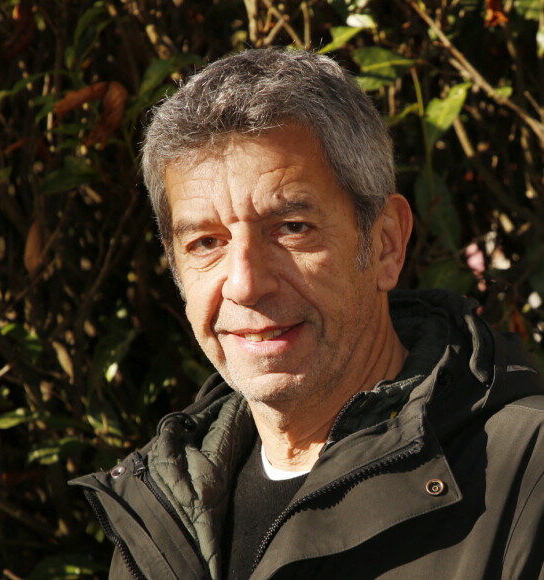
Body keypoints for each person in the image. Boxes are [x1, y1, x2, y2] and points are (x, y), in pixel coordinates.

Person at [70, 49, 544, 579]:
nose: (246, 283)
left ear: (386, 244)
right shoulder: (160, 515)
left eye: (292, 227)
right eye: (206, 242)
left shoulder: (527, 477)